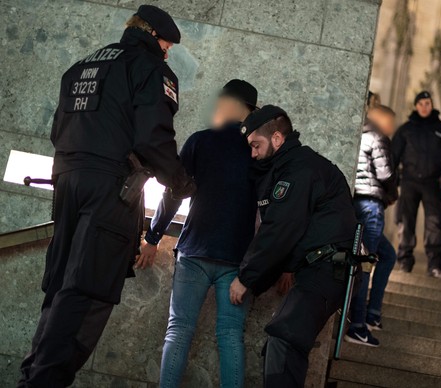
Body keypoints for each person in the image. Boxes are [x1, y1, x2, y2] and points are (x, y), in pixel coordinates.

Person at [18, 5, 195, 387]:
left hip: (67, 182)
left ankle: (33, 375)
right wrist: (180, 182)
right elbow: (153, 138)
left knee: (63, 283)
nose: (167, 52)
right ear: (152, 36)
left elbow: (57, 132)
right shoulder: (149, 69)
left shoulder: (82, 67)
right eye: (166, 45)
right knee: (87, 289)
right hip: (110, 189)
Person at [136, 80, 259, 388]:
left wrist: (153, 238)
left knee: (178, 331)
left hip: (195, 251)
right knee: (231, 336)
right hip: (237, 260)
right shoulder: (259, 153)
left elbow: (174, 193)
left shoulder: (201, 141)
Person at [228, 105, 359, 387]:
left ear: (276, 139)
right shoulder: (293, 164)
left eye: (256, 145)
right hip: (321, 268)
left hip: (327, 269)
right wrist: (287, 268)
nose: (252, 153)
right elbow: (305, 225)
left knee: (284, 342)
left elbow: (280, 229)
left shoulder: (298, 169)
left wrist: (246, 277)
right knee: (281, 346)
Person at [391, 91, 441, 279]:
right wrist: (392, 182)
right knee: (405, 222)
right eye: (420, 103)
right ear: (415, 106)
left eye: (427, 103)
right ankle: (404, 262)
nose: (424, 107)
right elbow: (393, 157)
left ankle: (436, 266)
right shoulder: (405, 129)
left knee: (435, 223)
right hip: (409, 182)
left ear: (432, 105)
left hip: (433, 183)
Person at [346, 105, 398, 347]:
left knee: (387, 255)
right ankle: (357, 326)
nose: (393, 128)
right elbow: (386, 173)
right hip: (371, 207)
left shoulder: (361, 134)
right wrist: (392, 193)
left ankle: (372, 313)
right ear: (383, 120)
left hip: (358, 202)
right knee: (365, 265)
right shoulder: (378, 137)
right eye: (392, 122)